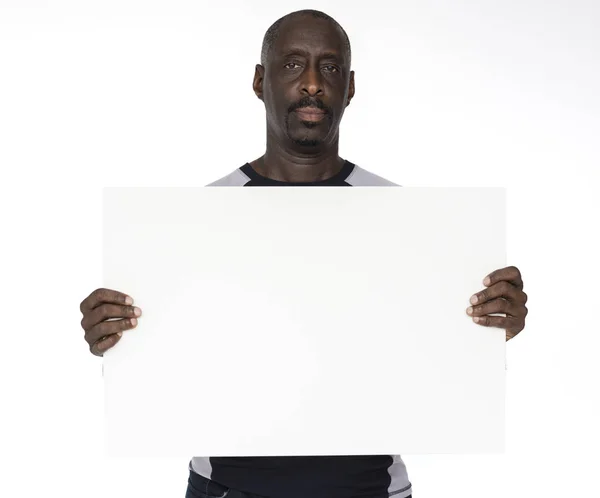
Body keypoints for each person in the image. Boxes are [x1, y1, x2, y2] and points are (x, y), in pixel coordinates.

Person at [79, 9, 529, 498]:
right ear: (259, 80)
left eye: (330, 67)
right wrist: (112, 338)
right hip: (229, 490)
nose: (313, 83)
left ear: (350, 87)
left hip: (370, 490)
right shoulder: (193, 222)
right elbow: (161, 372)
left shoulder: (408, 220)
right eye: (293, 64)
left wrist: (491, 325)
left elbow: (442, 363)